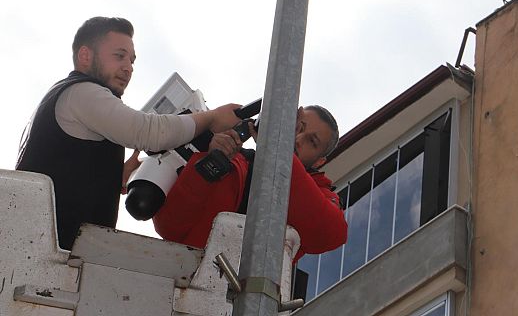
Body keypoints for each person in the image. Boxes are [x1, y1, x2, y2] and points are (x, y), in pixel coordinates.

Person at [16, 16, 242, 250]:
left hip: (41, 249)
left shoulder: (61, 97)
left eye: (132, 60)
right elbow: (148, 132)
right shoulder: (82, 93)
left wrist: (116, 173)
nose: (128, 67)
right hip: (49, 251)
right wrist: (212, 117)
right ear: (85, 56)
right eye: (119, 56)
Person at [153, 106, 348, 261]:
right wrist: (209, 162)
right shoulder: (234, 162)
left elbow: (328, 235)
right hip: (185, 284)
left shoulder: (322, 196)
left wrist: (279, 152)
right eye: (298, 127)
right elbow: (169, 227)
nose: (297, 139)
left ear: (319, 162)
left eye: (311, 141)